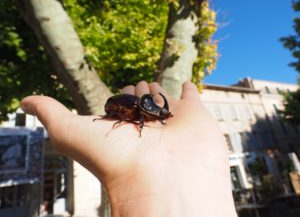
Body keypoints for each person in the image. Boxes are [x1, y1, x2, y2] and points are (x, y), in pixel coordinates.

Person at [21, 81, 237, 217]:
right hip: (113, 107)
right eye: (158, 114)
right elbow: (124, 111)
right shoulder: (137, 108)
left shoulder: (147, 108)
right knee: (126, 114)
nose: (160, 117)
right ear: (147, 109)